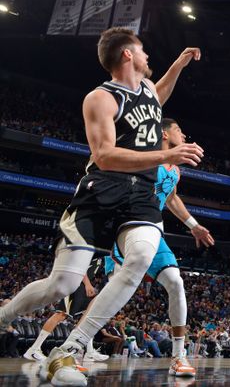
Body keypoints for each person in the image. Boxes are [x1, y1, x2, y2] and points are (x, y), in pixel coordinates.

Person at [0, 28, 204, 386]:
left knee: (140, 257)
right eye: (142, 51)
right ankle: (4, 316)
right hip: (102, 189)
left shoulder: (147, 94)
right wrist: (168, 154)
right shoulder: (101, 98)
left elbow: (159, 96)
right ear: (127, 55)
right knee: (60, 285)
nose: (147, 57)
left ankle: (71, 348)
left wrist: (180, 64)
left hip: (140, 194)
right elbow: (105, 156)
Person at [106, 117, 214, 377]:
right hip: (131, 228)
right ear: (164, 134)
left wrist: (193, 225)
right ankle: (75, 345)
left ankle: (178, 355)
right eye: (179, 129)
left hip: (155, 232)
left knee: (176, 282)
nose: (184, 134)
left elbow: (172, 198)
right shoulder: (145, 156)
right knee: (116, 294)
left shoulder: (175, 170)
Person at [23, 258, 107, 363]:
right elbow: (80, 267)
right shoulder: (94, 249)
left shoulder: (102, 255)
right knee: (61, 314)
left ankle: (89, 352)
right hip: (75, 284)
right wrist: (88, 284)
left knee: (87, 317)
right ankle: (34, 349)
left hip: (83, 286)